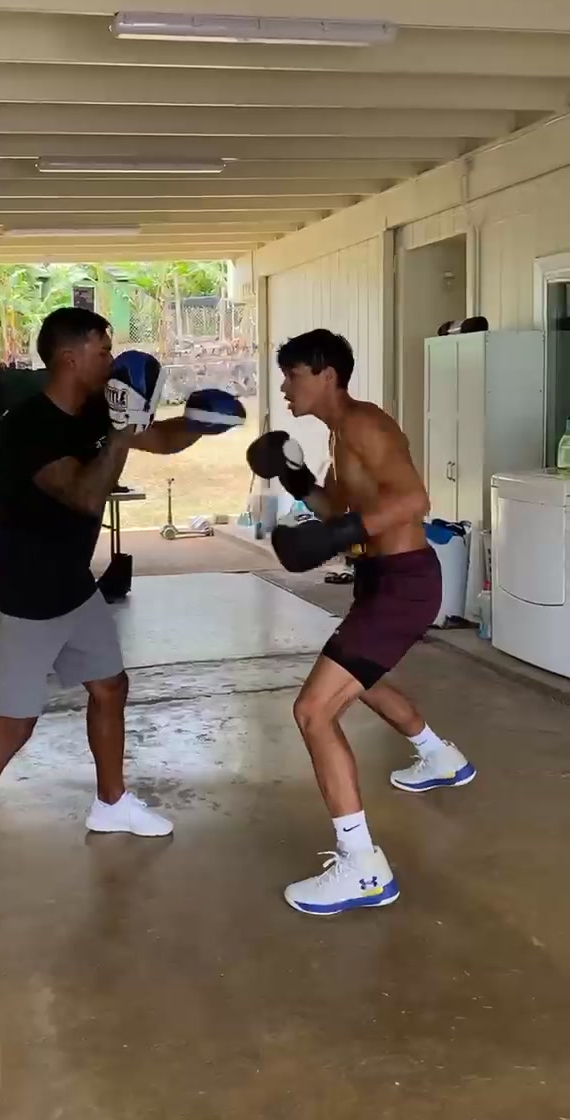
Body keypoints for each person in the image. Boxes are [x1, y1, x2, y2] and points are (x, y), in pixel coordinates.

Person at [0, 307, 243, 927]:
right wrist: (120, 434)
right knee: (11, 730)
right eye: (103, 349)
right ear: (71, 357)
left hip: (72, 585)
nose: (111, 359)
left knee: (110, 687)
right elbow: (85, 495)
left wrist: (198, 425)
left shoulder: (98, 408)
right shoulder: (28, 426)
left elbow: (155, 437)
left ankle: (111, 802)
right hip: (24, 597)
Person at [247, 329, 475, 918]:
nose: (285, 387)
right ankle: (438, 756)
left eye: (293, 375)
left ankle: (363, 867)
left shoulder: (365, 425)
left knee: (313, 711)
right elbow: (342, 509)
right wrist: (299, 483)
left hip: (403, 584)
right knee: (360, 680)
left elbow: (414, 500)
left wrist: (340, 535)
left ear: (326, 374)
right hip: (382, 580)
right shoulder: (338, 435)